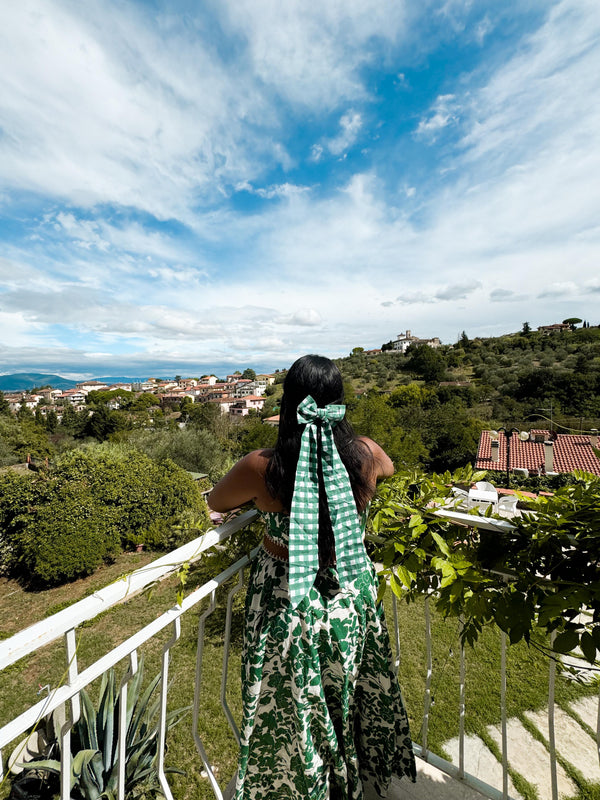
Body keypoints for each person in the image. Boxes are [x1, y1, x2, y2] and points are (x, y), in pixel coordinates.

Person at [209, 355, 415, 800]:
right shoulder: (366, 455)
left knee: (293, 704)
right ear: (339, 402)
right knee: (348, 688)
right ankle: (349, 778)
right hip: (349, 594)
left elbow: (219, 500)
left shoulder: (262, 467)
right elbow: (391, 469)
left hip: (287, 601)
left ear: (288, 404)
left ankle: (305, 785)